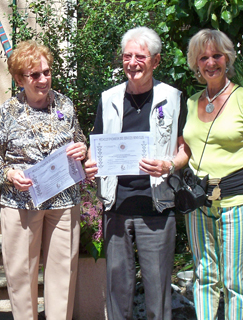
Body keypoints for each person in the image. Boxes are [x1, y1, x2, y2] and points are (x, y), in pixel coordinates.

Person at [84, 26, 189, 320]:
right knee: (118, 290)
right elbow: (97, 143)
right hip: (116, 206)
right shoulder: (109, 98)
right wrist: (91, 164)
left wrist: (171, 165)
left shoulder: (173, 98)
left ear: (155, 61)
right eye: (127, 56)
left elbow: (185, 148)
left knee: (158, 292)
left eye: (140, 56)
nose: (132, 62)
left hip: (157, 205)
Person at [0, 40, 87, 320]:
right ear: (20, 79)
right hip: (21, 202)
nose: (43, 79)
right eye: (35, 75)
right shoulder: (8, 111)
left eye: (47, 72)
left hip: (64, 201)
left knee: (62, 276)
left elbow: (79, 141)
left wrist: (82, 149)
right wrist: (9, 174)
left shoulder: (65, 105)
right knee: (21, 275)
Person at [184, 29, 243, 319]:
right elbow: (185, 149)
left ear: (228, 58)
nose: (210, 62)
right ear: (196, 63)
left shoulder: (241, 98)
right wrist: (168, 165)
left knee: (235, 282)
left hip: (236, 202)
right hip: (197, 203)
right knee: (204, 276)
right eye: (203, 57)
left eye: (217, 55)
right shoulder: (191, 102)